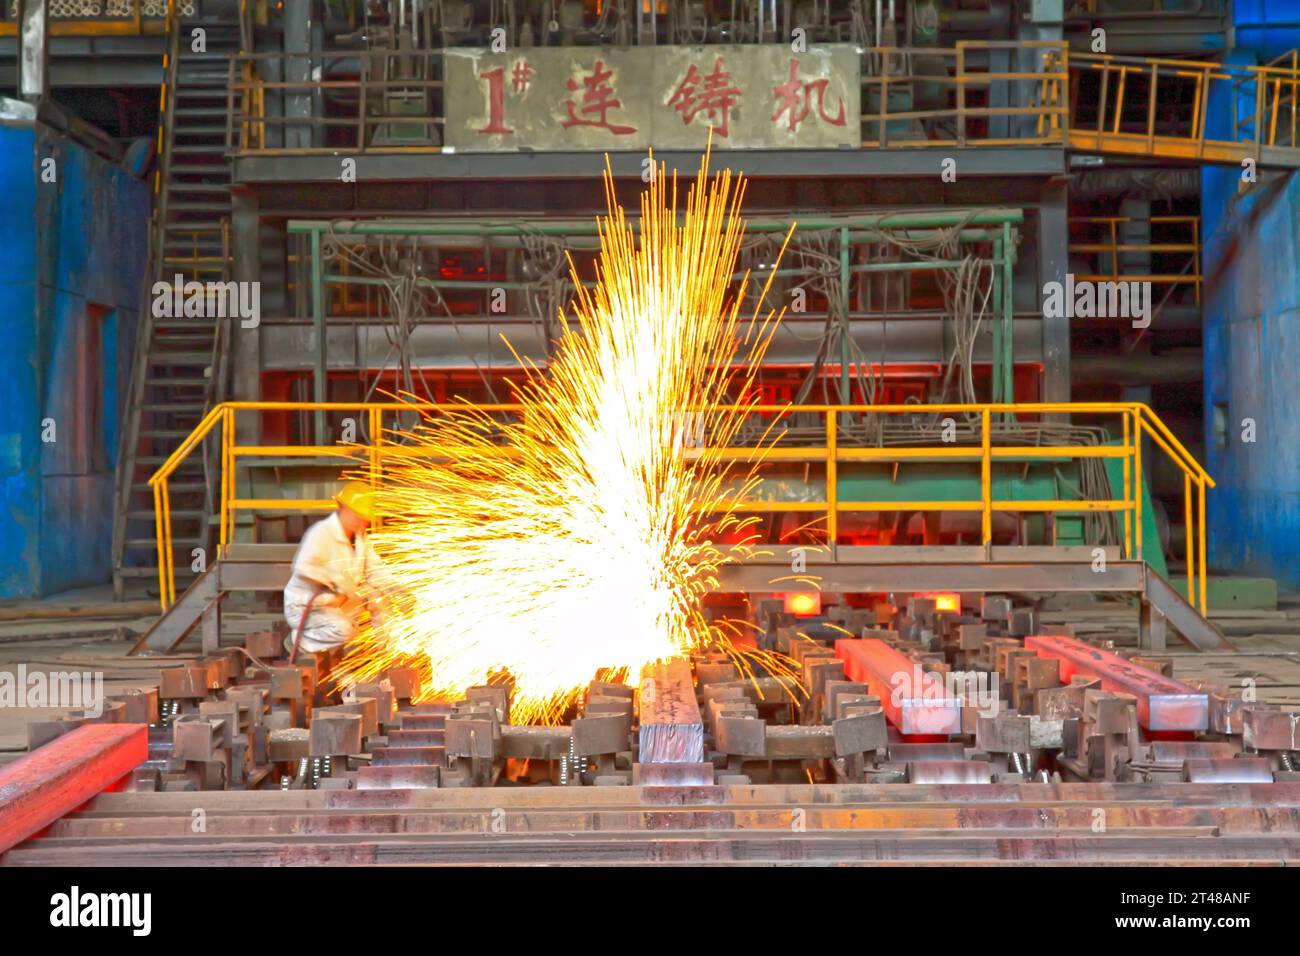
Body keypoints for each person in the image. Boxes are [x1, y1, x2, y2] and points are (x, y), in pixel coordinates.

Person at [283, 480, 384, 664]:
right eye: (359, 516)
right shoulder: (322, 532)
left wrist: (399, 589)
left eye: (365, 518)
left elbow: (377, 570)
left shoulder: (361, 538)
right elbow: (303, 566)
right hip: (308, 607)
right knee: (344, 630)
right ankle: (300, 642)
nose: (364, 521)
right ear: (343, 508)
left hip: (339, 605)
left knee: (381, 603)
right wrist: (335, 580)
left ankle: (382, 660)